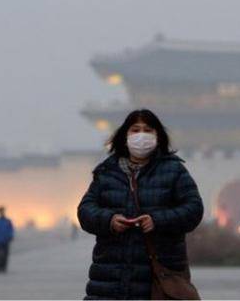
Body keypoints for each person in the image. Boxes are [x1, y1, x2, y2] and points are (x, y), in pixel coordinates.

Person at [77, 109, 204, 299]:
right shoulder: (106, 172)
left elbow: (193, 209)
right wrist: (109, 220)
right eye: (135, 130)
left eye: (148, 130)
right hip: (109, 279)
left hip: (156, 279)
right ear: (124, 136)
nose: (141, 135)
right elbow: (85, 211)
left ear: (158, 136)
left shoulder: (174, 171)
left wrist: (158, 220)